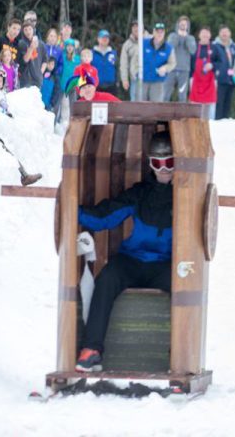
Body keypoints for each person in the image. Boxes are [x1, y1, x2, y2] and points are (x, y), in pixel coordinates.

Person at [74, 131, 175, 372]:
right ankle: (92, 348)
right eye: (157, 163)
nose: (163, 169)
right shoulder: (140, 194)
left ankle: (179, 353)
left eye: (169, 162)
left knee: (183, 284)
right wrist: (71, 208)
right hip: (133, 260)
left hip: (166, 264)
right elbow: (104, 218)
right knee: (108, 277)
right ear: (150, 164)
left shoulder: (185, 196)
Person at [190, 27, 220, 118]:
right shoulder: (193, 47)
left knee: (210, 107)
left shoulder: (215, 48)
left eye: (207, 33)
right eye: (203, 33)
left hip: (210, 81)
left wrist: (212, 65)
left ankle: (210, 125)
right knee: (195, 105)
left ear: (210, 35)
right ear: (199, 35)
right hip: (196, 81)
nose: (205, 35)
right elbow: (189, 63)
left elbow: (222, 62)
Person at [142, 23, 176, 103]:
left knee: (155, 107)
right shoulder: (144, 43)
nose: (159, 34)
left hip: (158, 81)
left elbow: (172, 63)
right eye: (157, 32)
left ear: (164, 33)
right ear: (153, 32)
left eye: (161, 32)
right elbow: (136, 58)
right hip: (142, 80)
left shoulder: (168, 48)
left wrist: (165, 68)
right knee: (140, 107)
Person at [165, 16, 196, 102]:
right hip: (171, 68)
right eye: (181, 24)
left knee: (182, 95)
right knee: (166, 94)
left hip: (184, 70)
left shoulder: (191, 38)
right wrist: (178, 36)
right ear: (177, 25)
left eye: (185, 24)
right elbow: (169, 47)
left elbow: (192, 50)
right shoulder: (172, 36)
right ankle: (162, 113)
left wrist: (186, 38)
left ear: (188, 26)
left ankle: (182, 114)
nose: (183, 26)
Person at [213, 25, 235, 119]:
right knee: (219, 102)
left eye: (226, 31)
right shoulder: (214, 46)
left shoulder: (234, 46)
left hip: (232, 79)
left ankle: (226, 121)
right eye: (222, 32)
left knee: (228, 102)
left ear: (230, 33)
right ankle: (218, 121)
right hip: (220, 79)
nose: (224, 34)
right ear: (219, 33)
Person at [91, 29, 118, 96]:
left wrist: (117, 82)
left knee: (112, 106)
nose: (105, 39)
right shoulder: (91, 53)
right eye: (103, 37)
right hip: (96, 86)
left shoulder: (113, 53)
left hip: (111, 86)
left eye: (106, 37)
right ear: (98, 39)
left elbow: (117, 68)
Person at [119, 22, 141, 101]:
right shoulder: (127, 44)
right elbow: (124, 63)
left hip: (150, 78)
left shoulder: (150, 40)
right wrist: (124, 79)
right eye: (134, 27)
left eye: (138, 26)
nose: (136, 28)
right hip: (135, 78)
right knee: (134, 103)